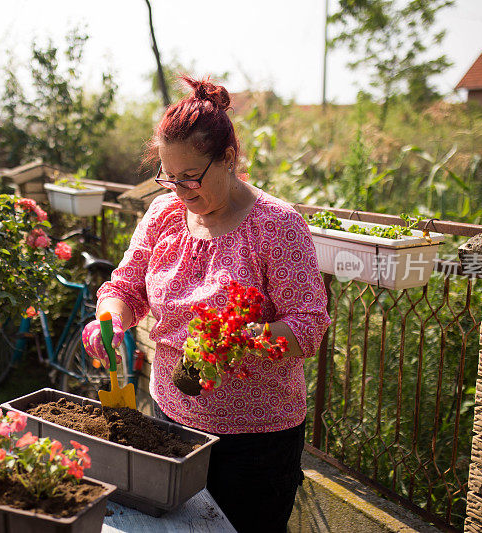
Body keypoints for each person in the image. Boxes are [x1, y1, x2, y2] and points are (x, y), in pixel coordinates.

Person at [82, 75, 330, 533]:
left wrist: (242, 339)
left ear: (230, 160)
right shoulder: (164, 215)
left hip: (254, 443)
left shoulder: (277, 225)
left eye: (191, 177)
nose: (180, 191)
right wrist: (111, 318)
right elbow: (127, 285)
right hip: (170, 419)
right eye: (168, 178)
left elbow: (309, 327)